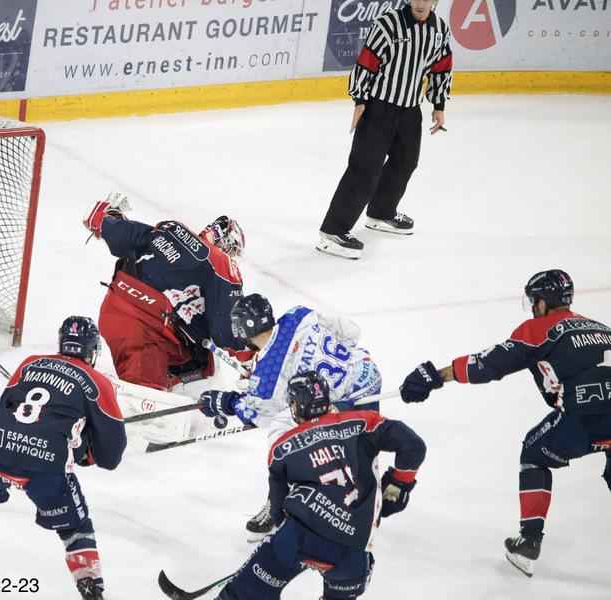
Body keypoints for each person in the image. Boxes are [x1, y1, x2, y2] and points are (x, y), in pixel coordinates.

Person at [399, 269, 611, 577]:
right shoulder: (602, 328)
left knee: (534, 453)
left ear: (542, 303)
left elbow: (489, 364)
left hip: (585, 421)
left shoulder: (538, 329)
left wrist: (437, 376)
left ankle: (529, 543)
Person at [210, 371, 426, 600]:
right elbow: (413, 446)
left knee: (244, 594)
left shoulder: (282, 448)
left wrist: (290, 546)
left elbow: (276, 509)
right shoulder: (366, 421)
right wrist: (397, 486)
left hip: (298, 538)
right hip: (353, 553)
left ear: (295, 407)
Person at [0, 316, 126, 600]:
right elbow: (111, 456)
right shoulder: (98, 383)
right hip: (46, 470)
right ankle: (91, 591)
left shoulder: (29, 363)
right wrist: (85, 451)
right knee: (75, 530)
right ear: (92, 350)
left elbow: (5, 410)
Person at [199, 294, 383, 540]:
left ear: (242, 329)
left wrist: (225, 402)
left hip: (343, 406)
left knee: (282, 429)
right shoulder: (298, 316)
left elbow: (254, 414)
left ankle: (280, 506)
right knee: (363, 446)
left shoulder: (267, 383)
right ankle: (369, 502)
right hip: (368, 375)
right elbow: (352, 332)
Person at [316, 0, 453, 260]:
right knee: (364, 169)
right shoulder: (388, 25)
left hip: (410, 109)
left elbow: (441, 67)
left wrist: (438, 103)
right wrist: (360, 100)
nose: (422, 2)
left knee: (405, 162)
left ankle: (381, 212)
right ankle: (333, 230)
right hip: (379, 108)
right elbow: (366, 62)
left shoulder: (439, 31)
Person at [83, 192, 250, 391]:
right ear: (228, 245)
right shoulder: (221, 265)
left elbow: (119, 234)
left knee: (194, 352)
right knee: (151, 400)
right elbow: (226, 331)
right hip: (145, 332)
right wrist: (249, 361)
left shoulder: (172, 229)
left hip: (113, 314)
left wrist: (106, 218)